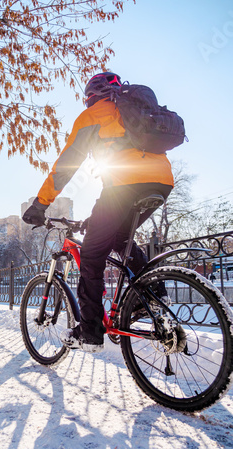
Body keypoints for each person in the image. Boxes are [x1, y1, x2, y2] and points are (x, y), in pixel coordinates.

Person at [22, 72, 174, 353]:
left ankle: (90, 332)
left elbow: (65, 166)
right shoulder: (136, 108)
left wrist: (40, 205)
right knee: (118, 238)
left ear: (90, 95)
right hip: (162, 183)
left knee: (92, 255)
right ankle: (151, 298)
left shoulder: (93, 114)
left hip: (125, 185)